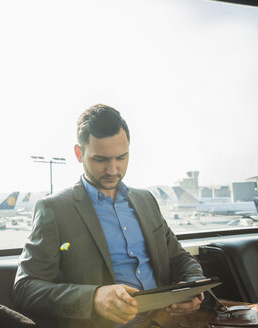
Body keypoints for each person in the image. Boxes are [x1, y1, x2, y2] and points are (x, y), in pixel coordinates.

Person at [12, 104, 205, 327]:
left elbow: (180, 259)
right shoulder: (54, 209)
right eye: (100, 160)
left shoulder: (147, 201)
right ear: (78, 153)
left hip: (167, 321)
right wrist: (93, 298)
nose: (113, 170)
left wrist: (192, 288)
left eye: (121, 157)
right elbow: (26, 288)